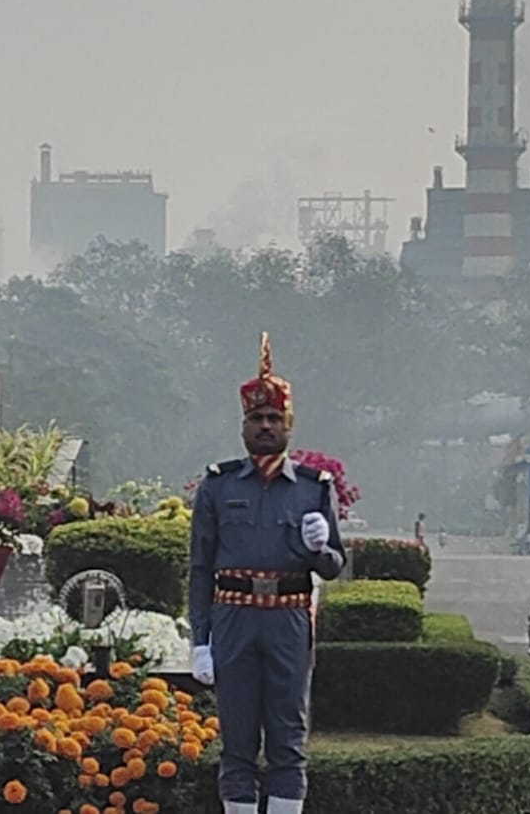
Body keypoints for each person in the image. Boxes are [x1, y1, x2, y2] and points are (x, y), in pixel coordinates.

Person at [188, 334, 346, 814]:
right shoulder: (217, 485)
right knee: (237, 739)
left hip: (288, 619)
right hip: (233, 617)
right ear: (243, 426)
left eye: (274, 418)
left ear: (288, 425)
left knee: (287, 737)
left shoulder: (314, 488)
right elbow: (200, 567)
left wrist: (319, 547)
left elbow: (334, 566)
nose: (265, 426)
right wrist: (200, 639)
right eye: (256, 417)